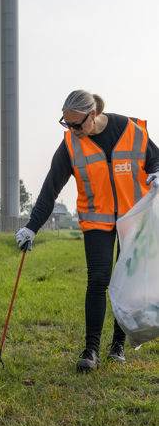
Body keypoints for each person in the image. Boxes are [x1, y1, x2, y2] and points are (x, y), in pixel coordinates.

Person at [15, 90, 159, 372]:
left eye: (77, 124)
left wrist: (157, 172)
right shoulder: (71, 144)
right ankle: (90, 350)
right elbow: (50, 189)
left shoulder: (132, 130)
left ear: (92, 116)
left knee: (126, 281)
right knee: (98, 280)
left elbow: (155, 159)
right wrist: (32, 227)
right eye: (66, 124)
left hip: (133, 219)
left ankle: (117, 347)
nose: (72, 130)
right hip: (96, 220)